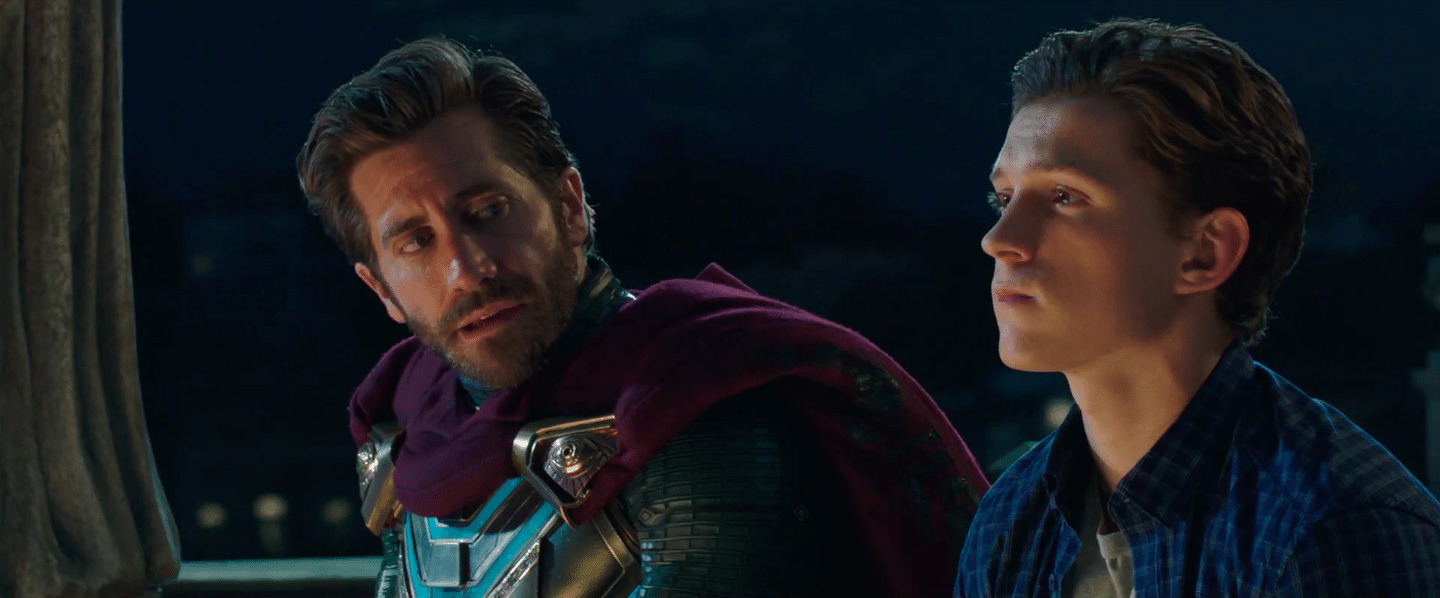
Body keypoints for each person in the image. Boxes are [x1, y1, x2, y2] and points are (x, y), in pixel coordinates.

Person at [296, 37, 988, 598]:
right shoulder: (412, 432)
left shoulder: (688, 407)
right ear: (381, 289)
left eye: (488, 211)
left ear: (569, 208)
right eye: (416, 242)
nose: (467, 268)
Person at [956, 18, 1440, 598]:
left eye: (1064, 196)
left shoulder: (1334, 533)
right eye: (1004, 198)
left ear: (1206, 253)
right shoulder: (1008, 523)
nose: (999, 239)